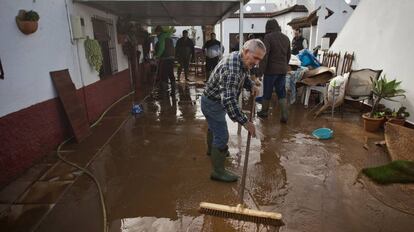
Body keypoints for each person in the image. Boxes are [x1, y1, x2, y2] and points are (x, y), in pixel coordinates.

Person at [201, 39, 266, 182]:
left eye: (259, 59)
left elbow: (244, 76)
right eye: (255, 58)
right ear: (246, 51)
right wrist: (245, 122)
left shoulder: (240, 58)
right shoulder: (232, 69)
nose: (257, 62)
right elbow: (228, 101)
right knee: (222, 135)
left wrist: (251, 86)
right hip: (212, 104)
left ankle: (212, 151)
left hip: (212, 100)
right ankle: (217, 172)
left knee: (214, 127)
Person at [257, 19, 291, 123]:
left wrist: (260, 71)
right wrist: (284, 66)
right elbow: (288, 55)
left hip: (270, 70)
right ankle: (284, 115)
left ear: (269, 28)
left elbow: (265, 56)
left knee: (267, 91)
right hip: (282, 70)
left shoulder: (268, 37)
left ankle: (264, 112)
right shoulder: (286, 38)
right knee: (281, 92)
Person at [154, 26, 175, 93]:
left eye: (156, 32)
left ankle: (164, 91)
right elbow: (173, 48)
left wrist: (157, 56)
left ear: (159, 32)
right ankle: (173, 90)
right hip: (171, 58)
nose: (156, 34)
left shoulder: (161, 37)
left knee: (164, 74)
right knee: (171, 73)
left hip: (165, 59)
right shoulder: (169, 38)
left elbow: (162, 48)